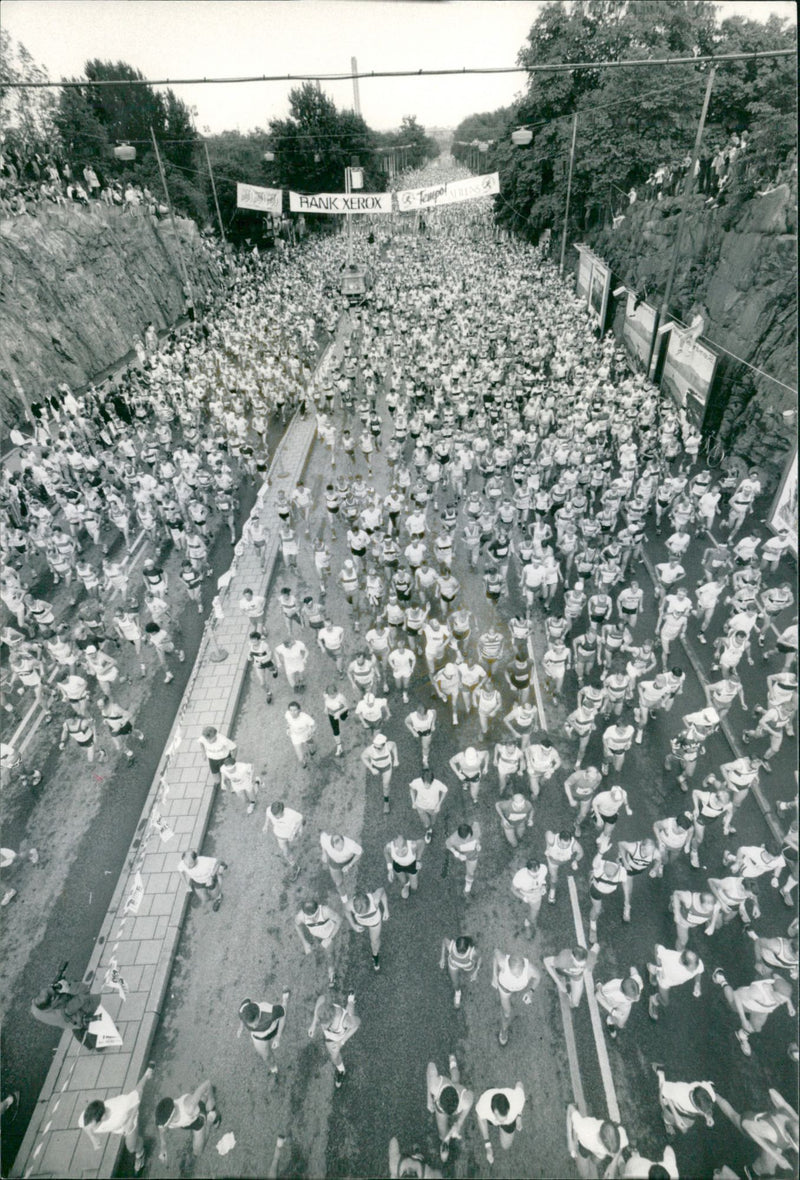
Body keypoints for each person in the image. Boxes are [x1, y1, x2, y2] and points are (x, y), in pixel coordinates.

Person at [79, 1064, 153, 1173]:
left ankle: (141, 1153)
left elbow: (138, 1095)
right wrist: (92, 1138)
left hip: (128, 1122)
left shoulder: (122, 1107)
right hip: (117, 1127)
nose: (93, 1129)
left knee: (131, 1148)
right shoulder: (85, 1119)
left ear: (103, 1117)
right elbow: (85, 1127)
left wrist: (130, 1120)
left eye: (95, 1126)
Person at [711, 968, 795, 1056]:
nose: (781, 1003)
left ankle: (741, 1035)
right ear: (772, 990)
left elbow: (780, 985)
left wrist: (789, 1004)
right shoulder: (757, 993)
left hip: (764, 1009)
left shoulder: (780, 983)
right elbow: (737, 994)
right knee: (732, 1003)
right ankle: (721, 979)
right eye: (780, 999)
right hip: (745, 1002)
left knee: (757, 1028)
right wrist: (743, 1020)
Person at [154, 1079, 220, 1164]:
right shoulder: (162, 1119)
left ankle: (211, 1118)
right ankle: (204, 1099)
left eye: (167, 1124)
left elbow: (207, 1083)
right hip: (187, 1122)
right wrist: (163, 1145)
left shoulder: (189, 1107)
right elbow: (161, 1128)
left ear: (173, 1116)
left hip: (197, 1119)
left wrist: (211, 1102)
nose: (164, 1127)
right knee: (196, 1152)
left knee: (198, 1152)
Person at [426, 1056, 474, 1164]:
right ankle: (452, 1060)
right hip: (452, 1088)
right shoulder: (435, 1086)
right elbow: (430, 1066)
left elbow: (471, 1097)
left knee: (455, 1080)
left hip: (453, 1089)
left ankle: (445, 1140)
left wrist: (459, 1123)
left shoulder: (465, 1100)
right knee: (455, 1079)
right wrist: (428, 1098)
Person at [308, 992, 360, 1087]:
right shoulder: (323, 1006)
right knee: (334, 1056)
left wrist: (342, 1041)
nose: (322, 1026)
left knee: (350, 1011)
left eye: (324, 1024)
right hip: (331, 1036)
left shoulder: (345, 1021)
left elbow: (357, 1023)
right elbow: (321, 997)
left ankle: (351, 999)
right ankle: (341, 1070)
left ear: (331, 1019)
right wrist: (313, 1026)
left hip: (339, 1035)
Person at [566, 1103, 629, 1178]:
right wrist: (570, 1140)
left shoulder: (621, 1132)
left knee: (594, 1161)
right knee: (584, 1174)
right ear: (600, 1141)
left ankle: (593, 1157)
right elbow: (570, 1108)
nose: (612, 1154)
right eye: (609, 1151)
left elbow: (621, 1147)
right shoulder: (584, 1130)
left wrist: (613, 1164)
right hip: (584, 1145)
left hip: (598, 1151)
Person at [491, 949, 540, 1045]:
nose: (517, 977)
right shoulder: (503, 963)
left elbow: (538, 977)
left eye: (519, 974)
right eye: (514, 974)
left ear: (524, 967)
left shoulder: (530, 969)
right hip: (504, 990)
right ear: (508, 967)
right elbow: (495, 952)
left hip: (516, 989)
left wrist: (531, 992)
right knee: (507, 1013)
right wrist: (494, 975)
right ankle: (504, 1030)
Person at [652, 1066, 715, 1136]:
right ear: (695, 1105)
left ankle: (675, 1122)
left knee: (688, 1123)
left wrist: (708, 1116)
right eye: (702, 1110)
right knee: (668, 1115)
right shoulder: (680, 1091)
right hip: (672, 1104)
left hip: (688, 1112)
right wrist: (676, 1116)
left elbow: (710, 1084)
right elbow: (664, 1090)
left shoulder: (707, 1090)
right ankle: (660, 1073)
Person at [237, 991, 290, 1075]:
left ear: (259, 1014)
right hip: (260, 1038)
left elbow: (282, 1014)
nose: (254, 1027)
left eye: (255, 1023)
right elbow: (246, 1000)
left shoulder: (271, 1012)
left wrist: (278, 1036)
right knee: (266, 1056)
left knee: (284, 1008)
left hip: (274, 1029)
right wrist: (241, 1027)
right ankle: (273, 1068)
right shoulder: (242, 1011)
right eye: (250, 1025)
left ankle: (285, 999)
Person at [647, 945, 704, 1020]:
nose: (694, 971)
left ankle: (653, 971)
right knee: (665, 1002)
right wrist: (660, 967)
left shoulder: (697, 963)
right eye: (692, 969)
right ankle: (653, 999)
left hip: (673, 980)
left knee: (655, 978)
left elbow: (698, 972)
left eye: (695, 968)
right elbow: (657, 947)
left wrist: (697, 983)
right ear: (682, 963)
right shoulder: (671, 958)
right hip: (664, 981)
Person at [475, 1082, 526, 1163]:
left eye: (504, 1118)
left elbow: (519, 1084)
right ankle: (492, 1090)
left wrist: (519, 1116)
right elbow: (480, 1118)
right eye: (500, 1119)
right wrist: (487, 1145)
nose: (502, 1122)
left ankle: (493, 1090)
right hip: (489, 1111)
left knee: (506, 1146)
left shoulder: (516, 1100)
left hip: (508, 1121)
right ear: (493, 1112)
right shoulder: (483, 1104)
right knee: (488, 1120)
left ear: (509, 1109)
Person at [295, 899, 342, 987]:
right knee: (321, 947)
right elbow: (297, 925)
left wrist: (330, 938)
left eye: (315, 916)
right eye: (309, 918)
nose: (312, 919)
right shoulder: (300, 916)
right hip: (316, 935)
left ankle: (331, 973)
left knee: (330, 954)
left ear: (318, 909)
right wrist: (304, 943)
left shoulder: (326, 911)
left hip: (329, 934)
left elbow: (339, 920)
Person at [346, 887, 390, 970]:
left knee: (374, 941)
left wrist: (386, 910)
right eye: (360, 913)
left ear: (369, 903)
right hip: (361, 922)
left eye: (365, 912)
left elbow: (382, 891)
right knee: (374, 940)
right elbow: (346, 911)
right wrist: (353, 924)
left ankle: (375, 956)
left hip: (374, 922)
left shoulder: (375, 899)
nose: (363, 914)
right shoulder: (350, 905)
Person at [544, 944, 599, 1010]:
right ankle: (560, 975)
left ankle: (571, 993)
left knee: (575, 1003)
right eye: (578, 964)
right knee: (557, 970)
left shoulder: (591, 958)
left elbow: (596, 948)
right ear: (572, 957)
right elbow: (546, 961)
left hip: (576, 976)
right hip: (562, 970)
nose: (579, 967)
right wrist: (559, 983)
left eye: (582, 965)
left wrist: (589, 968)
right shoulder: (563, 958)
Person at [594, 967, 644, 1038]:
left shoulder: (638, 981)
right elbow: (597, 996)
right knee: (602, 993)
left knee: (620, 1025)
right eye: (631, 998)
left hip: (625, 1004)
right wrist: (613, 1011)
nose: (637, 999)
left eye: (638, 993)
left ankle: (610, 1020)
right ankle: (599, 986)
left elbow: (633, 969)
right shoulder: (612, 988)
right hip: (613, 1000)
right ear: (622, 992)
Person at [263, 801, 304, 878]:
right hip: (281, 836)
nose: (276, 818)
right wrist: (266, 825)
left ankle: (297, 835)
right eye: (275, 816)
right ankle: (295, 867)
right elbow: (268, 815)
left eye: (278, 816)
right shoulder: (270, 810)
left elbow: (300, 819)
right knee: (286, 853)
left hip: (292, 835)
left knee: (296, 840)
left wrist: (294, 833)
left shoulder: (290, 813)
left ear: (283, 810)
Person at [440, 933, 481, 1009]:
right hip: (453, 964)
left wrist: (476, 971)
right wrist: (442, 958)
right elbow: (444, 940)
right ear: (455, 945)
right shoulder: (451, 946)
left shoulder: (473, 953)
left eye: (462, 953)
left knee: (468, 975)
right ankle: (458, 992)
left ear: (467, 949)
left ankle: (466, 974)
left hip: (468, 967)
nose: (460, 955)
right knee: (455, 982)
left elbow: (479, 959)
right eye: (458, 951)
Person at [361, 732, 399, 814]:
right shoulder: (370, 750)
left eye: (379, 748)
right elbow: (363, 757)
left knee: (385, 785)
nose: (376, 749)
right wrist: (371, 769)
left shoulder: (389, 746)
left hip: (386, 768)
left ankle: (386, 803)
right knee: (381, 781)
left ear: (384, 744)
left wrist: (396, 759)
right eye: (375, 746)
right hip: (376, 767)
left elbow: (394, 746)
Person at [320, 830, 363, 902]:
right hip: (335, 862)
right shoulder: (326, 841)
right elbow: (322, 836)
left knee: (348, 867)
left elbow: (360, 852)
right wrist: (324, 853)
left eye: (342, 846)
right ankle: (345, 901)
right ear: (332, 846)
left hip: (348, 861)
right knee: (338, 883)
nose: (341, 849)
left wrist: (350, 865)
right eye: (339, 849)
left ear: (343, 840)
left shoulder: (351, 844)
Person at [511, 858, 549, 935]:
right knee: (534, 916)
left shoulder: (544, 869)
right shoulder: (520, 877)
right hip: (526, 894)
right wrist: (523, 897)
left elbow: (543, 879)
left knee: (534, 912)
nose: (535, 876)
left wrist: (544, 886)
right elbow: (513, 889)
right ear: (527, 869)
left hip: (536, 895)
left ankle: (529, 922)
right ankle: (528, 924)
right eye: (533, 874)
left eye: (537, 873)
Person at [409, 768, 448, 843]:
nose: (427, 786)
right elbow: (411, 789)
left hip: (433, 807)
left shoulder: (437, 784)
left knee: (433, 821)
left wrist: (439, 804)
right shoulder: (416, 782)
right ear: (422, 780)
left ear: (432, 781)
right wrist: (413, 802)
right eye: (425, 783)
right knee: (426, 823)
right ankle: (428, 830)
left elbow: (445, 791)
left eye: (429, 784)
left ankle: (431, 827)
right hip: (420, 806)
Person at [444, 822, 482, 895]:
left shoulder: (475, 828)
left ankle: (467, 888)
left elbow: (477, 838)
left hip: (473, 856)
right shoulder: (454, 838)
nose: (466, 841)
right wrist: (457, 854)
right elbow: (447, 844)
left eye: (468, 838)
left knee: (470, 872)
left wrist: (478, 844)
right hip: (463, 855)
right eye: (464, 840)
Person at [385, 833, 425, 900]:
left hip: (411, 864)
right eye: (397, 847)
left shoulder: (412, 845)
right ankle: (406, 885)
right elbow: (386, 852)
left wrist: (418, 860)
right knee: (403, 881)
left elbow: (422, 843)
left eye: (403, 847)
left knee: (414, 886)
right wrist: (390, 869)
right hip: (398, 865)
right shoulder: (389, 847)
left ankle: (411, 886)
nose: (400, 851)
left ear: (406, 841)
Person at [405, 703, 437, 768]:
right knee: (419, 741)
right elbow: (406, 722)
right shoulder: (412, 716)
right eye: (420, 714)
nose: (422, 716)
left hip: (427, 732)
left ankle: (425, 760)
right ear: (417, 711)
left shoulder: (431, 713)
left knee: (425, 746)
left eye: (424, 714)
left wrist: (433, 724)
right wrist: (413, 732)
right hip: (417, 731)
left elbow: (435, 714)